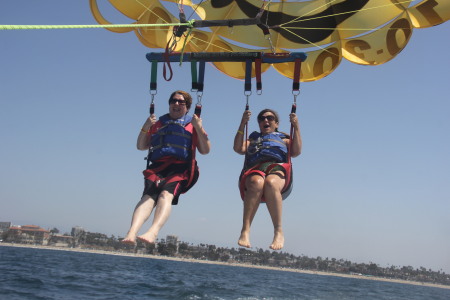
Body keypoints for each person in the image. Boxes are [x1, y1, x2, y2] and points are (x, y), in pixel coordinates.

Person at [122, 90, 210, 244]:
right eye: (173, 101)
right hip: (158, 168)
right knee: (148, 198)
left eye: (181, 102)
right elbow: (141, 146)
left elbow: (205, 150)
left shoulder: (193, 124)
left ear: (187, 107)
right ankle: (131, 233)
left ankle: (152, 232)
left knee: (165, 195)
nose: (176, 104)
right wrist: (145, 126)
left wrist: (199, 128)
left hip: (181, 169)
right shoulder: (158, 123)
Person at [233, 108, 302, 250]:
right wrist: (242, 123)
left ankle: (278, 231)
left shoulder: (284, 138)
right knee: (255, 182)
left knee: (271, 182)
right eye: (262, 118)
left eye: (270, 118)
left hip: (277, 167)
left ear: (276, 124)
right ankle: (245, 230)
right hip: (255, 168)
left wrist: (296, 126)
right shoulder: (253, 138)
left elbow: (296, 152)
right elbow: (238, 148)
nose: (265, 120)